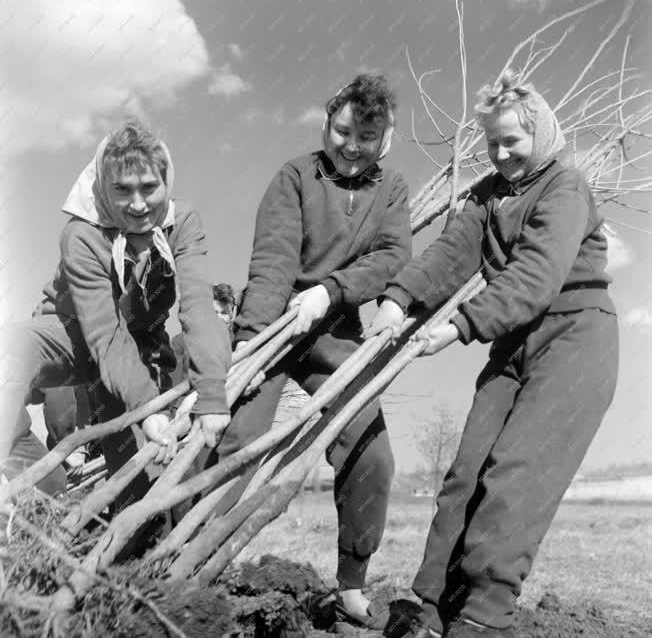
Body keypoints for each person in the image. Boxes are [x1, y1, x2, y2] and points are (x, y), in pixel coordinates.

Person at [368, 70, 618, 638]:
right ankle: (433, 606)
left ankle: (484, 617)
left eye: (514, 142)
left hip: (575, 337)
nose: (502, 154)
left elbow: (535, 276)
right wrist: (397, 300)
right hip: (513, 340)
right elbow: (449, 256)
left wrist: (458, 327)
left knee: (515, 477)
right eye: (494, 143)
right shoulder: (487, 197)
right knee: (466, 475)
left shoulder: (565, 188)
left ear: (543, 134)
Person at [217, 74, 412, 628]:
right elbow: (274, 257)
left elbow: (395, 256)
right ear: (327, 122)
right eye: (343, 131)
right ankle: (195, 560)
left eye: (366, 137)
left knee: (372, 455)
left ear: (385, 139)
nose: (352, 146)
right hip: (278, 321)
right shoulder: (296, 176)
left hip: (337, 328)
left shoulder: (391, 190)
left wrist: (332, 290)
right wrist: (252, 340)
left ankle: (351, 586)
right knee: (236, 439)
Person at [0, 121, 232, 513]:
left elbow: (196, 306)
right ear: (102, 187)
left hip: (138, 348)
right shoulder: (82, 234)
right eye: (122, 190)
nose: (138, 204)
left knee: (139, 481)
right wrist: (147, 404)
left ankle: (138, 548)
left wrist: (211, 390)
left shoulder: (182, 224)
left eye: (148, 187)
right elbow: (105, 333)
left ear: (166, 180)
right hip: (71, 334)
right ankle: (38, 487)